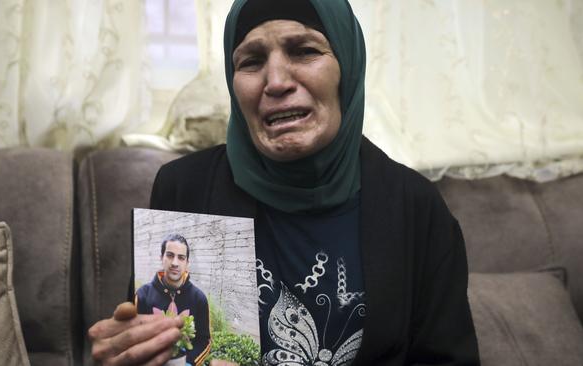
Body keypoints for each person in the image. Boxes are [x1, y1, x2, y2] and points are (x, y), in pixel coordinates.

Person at [89, 0, 480, 365]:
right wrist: (135, 352)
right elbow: (160, 345)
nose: (275, 81)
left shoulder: (416, 207)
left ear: (348, 65)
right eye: (252, 61)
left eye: (304, 51)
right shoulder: (185, 189)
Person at [134, 234, 211, 366]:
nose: (175, 263)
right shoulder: (142, 296)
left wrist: (188, 363)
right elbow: (133, 338)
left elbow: (204, 341)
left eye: (181, 258)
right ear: (161, 258)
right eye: (170, 255)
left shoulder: (199, 299)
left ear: (187, 263)